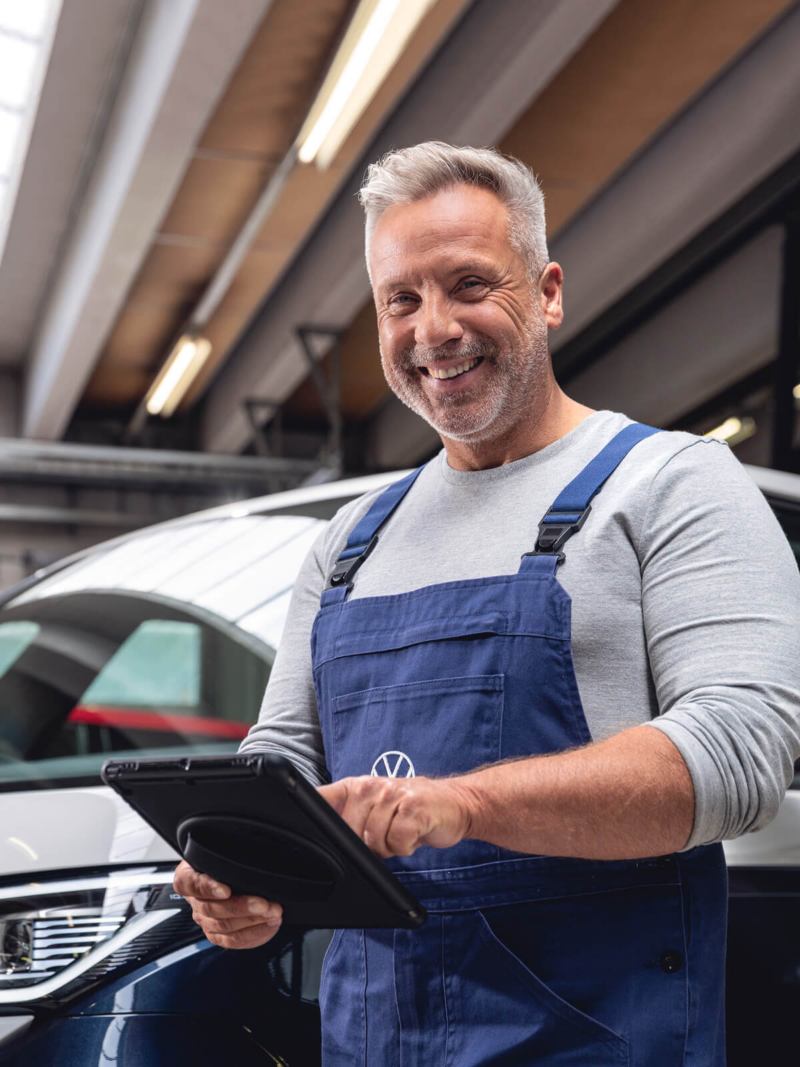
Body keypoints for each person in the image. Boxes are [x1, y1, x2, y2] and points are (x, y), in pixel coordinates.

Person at [175, 142, 800, 1065]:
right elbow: (284, 760)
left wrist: (462, 804)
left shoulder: (671, 483)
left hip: (597, 1036)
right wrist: (245, 870)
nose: (433, 330)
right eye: (401, 299)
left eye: (469, 284)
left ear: (546, 293)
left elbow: (740, 751)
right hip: (374, 1041)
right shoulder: (351, 542)